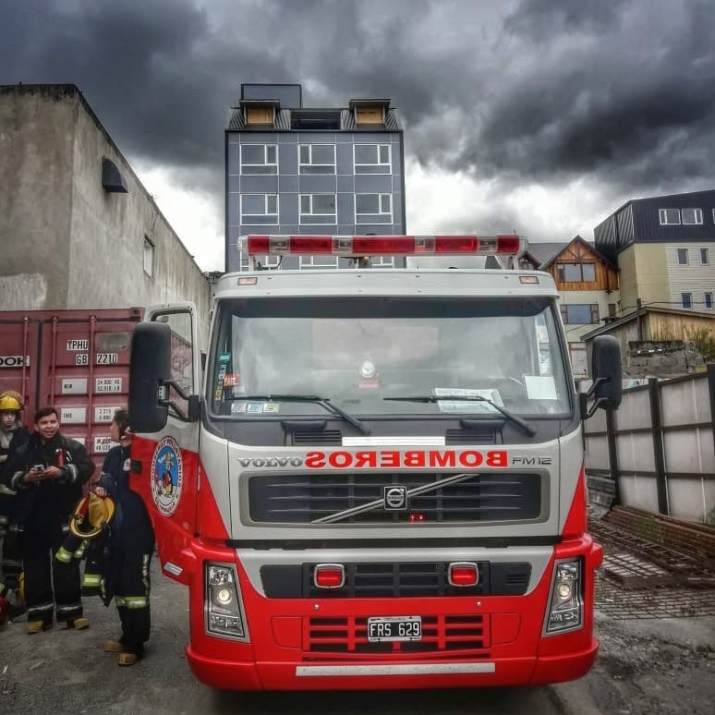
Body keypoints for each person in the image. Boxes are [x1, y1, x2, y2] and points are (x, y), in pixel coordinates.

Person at [6, 406, 95, 634]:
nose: (49, 426)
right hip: (33, 519)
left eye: (53, 422)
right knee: (35, 568)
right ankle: (39, 615)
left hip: (63, 517)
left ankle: (72, 614)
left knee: (65, 565)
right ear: (36, 426)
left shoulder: (71, 447)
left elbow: (87, 468)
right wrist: (26, 477)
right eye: (44, 423)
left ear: (58, 423)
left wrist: (63, 472)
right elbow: (9, 476)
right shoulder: (24, 450)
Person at [94, 408, 154, 666]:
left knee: (135, 588)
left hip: (138, 533)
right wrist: (101, 487)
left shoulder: (145, 454)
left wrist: (137, 443)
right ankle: (125, 634)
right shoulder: (112, 454)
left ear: (125, 427)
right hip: (115, 532)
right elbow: (107, 480)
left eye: (113, 424)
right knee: (119, 584)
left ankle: (136, 644)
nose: (110, 428)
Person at [0, 391, 31, 628]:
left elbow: (21, 462)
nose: (8, 418)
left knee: (14, 544)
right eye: (4, 414)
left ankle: (13, 588)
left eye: (12, 414)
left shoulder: (23, 436)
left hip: (17, 501)